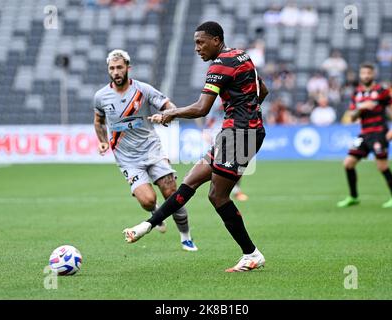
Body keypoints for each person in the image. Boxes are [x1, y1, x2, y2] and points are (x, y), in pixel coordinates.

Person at [122, 21, 269, 272]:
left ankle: (251, 254)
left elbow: (202, 108)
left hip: (240, 134)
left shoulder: (220, 64)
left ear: (216, 40)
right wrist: (246, 109)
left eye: (201, 42)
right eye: (194, 43)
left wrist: (171, 114)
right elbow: (262, 91)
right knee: (191, 180)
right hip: (238, 132)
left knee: (217, 196)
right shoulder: (240, 55)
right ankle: (146, 226)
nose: (197, 48)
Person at [93, 49, 198, 251]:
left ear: (127, 68)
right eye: (112, 68)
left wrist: (165, 115)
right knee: (148, 200)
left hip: (152, 150)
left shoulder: (143, 90)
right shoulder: (101, 97)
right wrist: (103, 141)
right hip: (127, 158)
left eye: (119, 67)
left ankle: (185, 236)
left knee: (171, 192)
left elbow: (170, 106)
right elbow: (98, 120)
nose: (116, 72)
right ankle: (156, 212)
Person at [337, 63, 392, 209]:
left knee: (382, 166)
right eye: (363, 73)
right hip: (364, 134)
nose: (366, 76)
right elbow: (352, 117)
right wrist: (362, 107)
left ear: (373, 74)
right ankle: (353, 197)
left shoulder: (381, 90)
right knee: (348, 163)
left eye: (368, 73)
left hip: (379, 133)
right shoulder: (357, 93)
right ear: (360, 75)